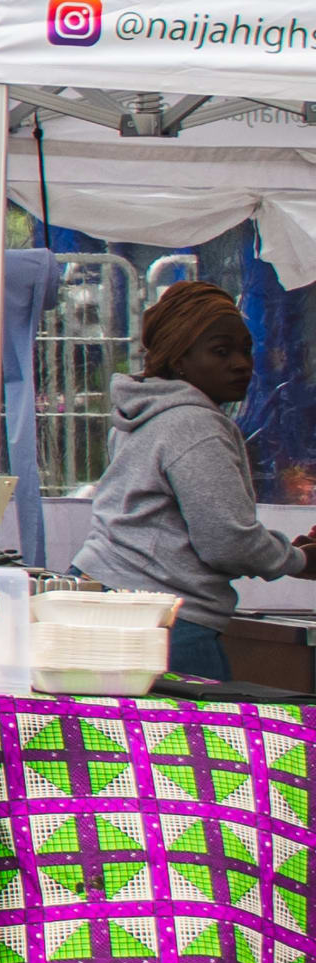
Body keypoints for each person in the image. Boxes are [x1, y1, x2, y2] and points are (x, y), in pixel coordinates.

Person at [70, 278, 314, 683]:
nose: (241, 363)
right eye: (221, 352)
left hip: (104, 599)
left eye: (246, 350)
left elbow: (185, 523)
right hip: (161, 624)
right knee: (196, 746)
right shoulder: (195, 424)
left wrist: (282, 549)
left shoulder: (142, 414)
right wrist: (299, 560)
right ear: (179, 359)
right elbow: (226, 542)